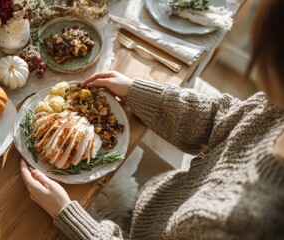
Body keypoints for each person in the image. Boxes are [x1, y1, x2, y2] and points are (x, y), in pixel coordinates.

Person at [20, 0, 284, 238]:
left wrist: (68, 215)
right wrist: (139, 93)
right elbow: (223, 119)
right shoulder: (277, 109)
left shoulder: (246, 227)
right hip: (159, 204)